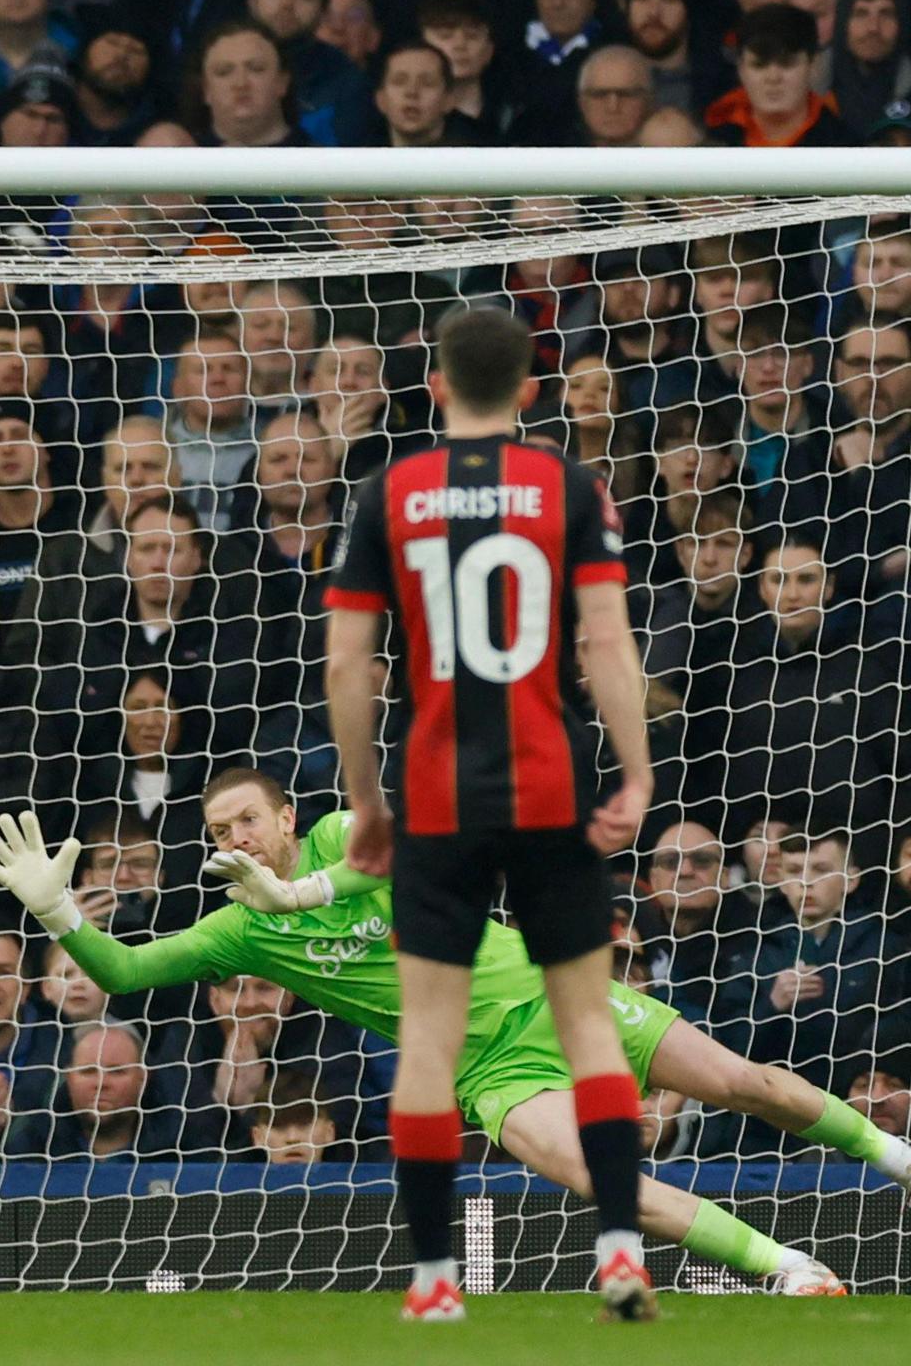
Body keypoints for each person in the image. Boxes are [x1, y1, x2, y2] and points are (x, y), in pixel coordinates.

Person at [0, 768, 911, 1300]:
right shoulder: (243, 927)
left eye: (245, 822)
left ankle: (907, 1164)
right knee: (603, 1177)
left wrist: (302, 888)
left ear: (285, 819)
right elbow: (127, 972)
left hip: (554, 993)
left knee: (743, 1081)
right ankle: (789, 1269)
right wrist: (59, 913)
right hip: (488, 1068)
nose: (231, 842)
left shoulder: (333, 838)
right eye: (216, 834)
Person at [320, 306, 657, 1322]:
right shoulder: (569, 486)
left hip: (435, 796)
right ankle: (619, 1252)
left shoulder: (391, 491)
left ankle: (432, 1281)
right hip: (549, 786)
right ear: (527, 390)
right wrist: (633, 776)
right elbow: (605, 643)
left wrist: (366, 800)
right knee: (588, 1028)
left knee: (428, 1040)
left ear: (432, 386)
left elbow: (349, 663)